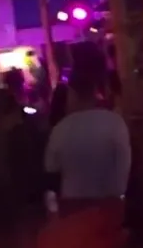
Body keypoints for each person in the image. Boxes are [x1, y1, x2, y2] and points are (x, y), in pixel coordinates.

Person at [45, 72, 131, 202]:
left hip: (73, 204)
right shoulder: (115, 123)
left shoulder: (60, 129)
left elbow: (51, 168)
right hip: (111, 203)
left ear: (72, 95)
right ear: (95, 92)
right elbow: (124, 164)